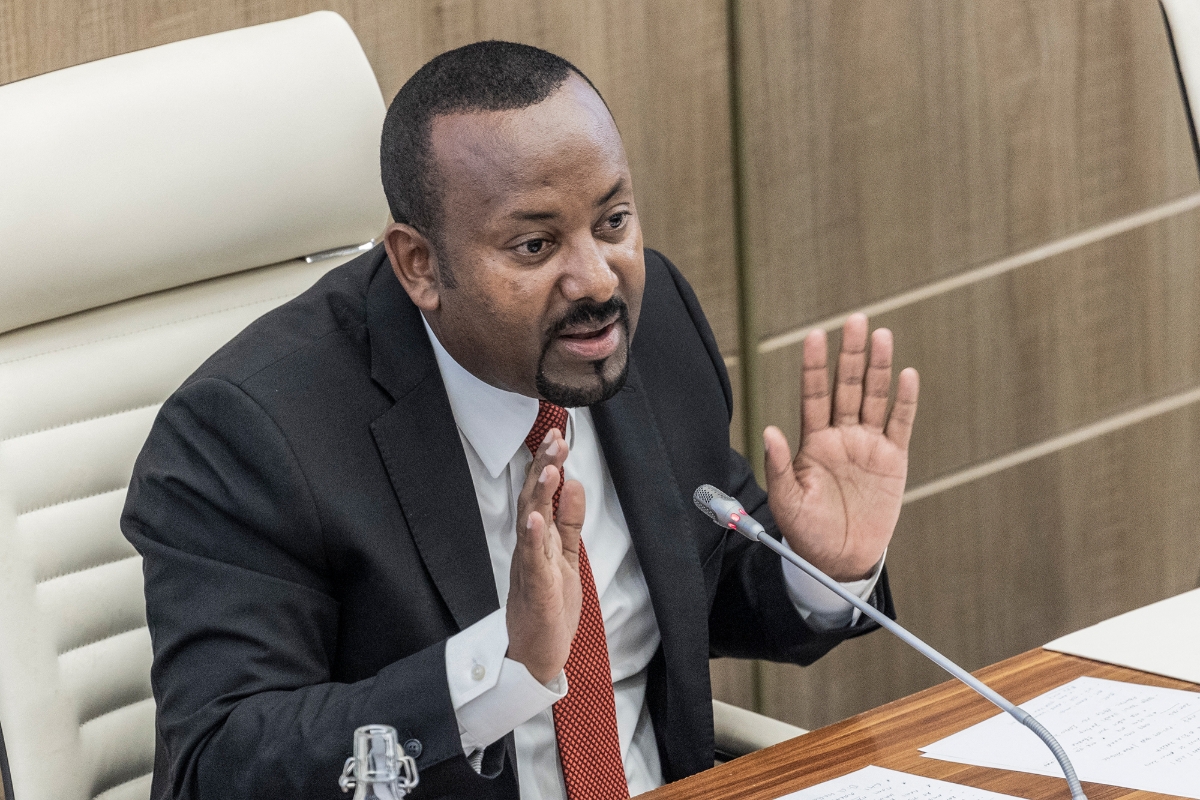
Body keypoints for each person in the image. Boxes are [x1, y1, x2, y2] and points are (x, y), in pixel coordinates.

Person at [122, 41, 918, 800]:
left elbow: (693, 588)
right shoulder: (249, 433)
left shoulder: (651, 322)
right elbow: (219, 765)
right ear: (419, 265)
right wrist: (498, 667)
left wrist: (816, 568)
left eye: (613, 222)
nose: (597, 279)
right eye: (536, 245)